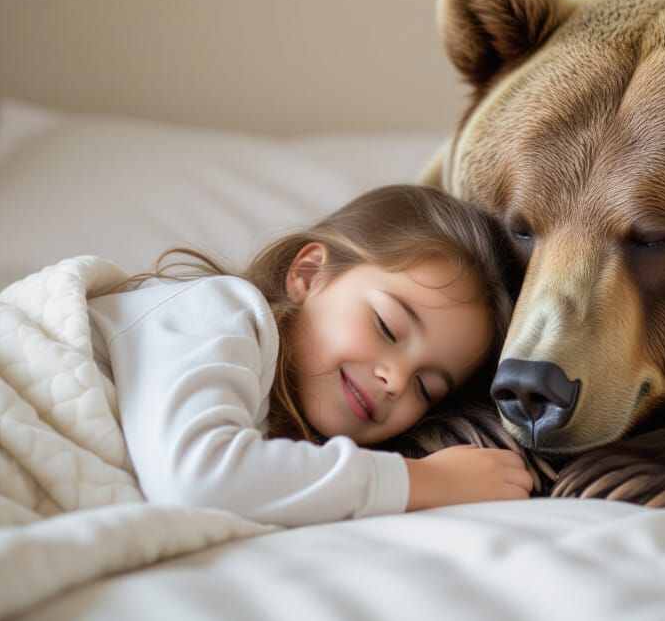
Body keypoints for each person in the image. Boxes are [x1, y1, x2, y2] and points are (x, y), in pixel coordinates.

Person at [87, 184, 530, 526]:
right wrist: (428, 480)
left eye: (425, 387)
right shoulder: (217, 310)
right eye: (387, 327)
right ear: (309, 273)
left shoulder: (291, 458)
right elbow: (197, 478)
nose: (395, 381)